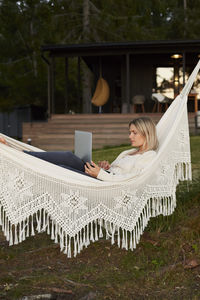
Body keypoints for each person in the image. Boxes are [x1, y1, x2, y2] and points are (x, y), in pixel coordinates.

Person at [0, 117, 158, 182]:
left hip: (106, 183)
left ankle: (20, 158)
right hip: (104, 176)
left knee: (63, 168)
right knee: (69, 157)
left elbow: (133, 179)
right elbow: (118, 170)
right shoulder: (128, 152)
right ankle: (20, 154)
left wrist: (101, 174)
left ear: (147, 133)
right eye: (130, 132)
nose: (130, 136)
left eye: (134, 133)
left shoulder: (149, 156)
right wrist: (106, 167)